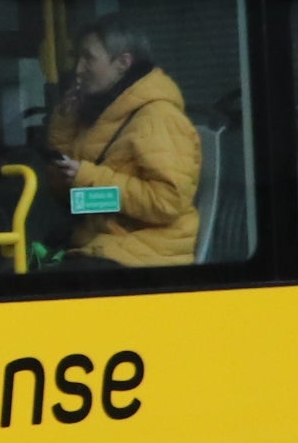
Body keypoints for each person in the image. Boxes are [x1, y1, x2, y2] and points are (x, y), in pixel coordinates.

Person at [42, 19, 202, 268]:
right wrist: (66, 120)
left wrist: (89, 177)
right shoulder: (105, 112)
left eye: (89, 58)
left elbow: (167, 202)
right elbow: (75, 197)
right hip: (101, 240)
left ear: (123, 64)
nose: (78, 69)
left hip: (144, 251)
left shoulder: (158, 116)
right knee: (26, 263)